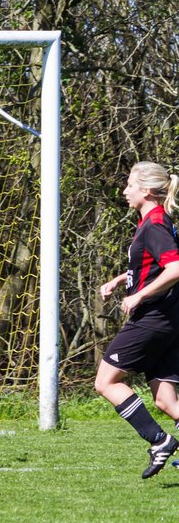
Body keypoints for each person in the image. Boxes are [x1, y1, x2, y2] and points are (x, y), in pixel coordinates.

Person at [95, 162, 179, 478]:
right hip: (169, 320)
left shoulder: (154, 224)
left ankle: (159, 440)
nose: (124, 190)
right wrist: (121, 281)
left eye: (129, 185)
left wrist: (139, 296)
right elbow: (156, 265)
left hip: (152, 320)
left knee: (105, 382)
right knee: (166, 400)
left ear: (146, 190)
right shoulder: (157, 222)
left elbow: (175, 268)